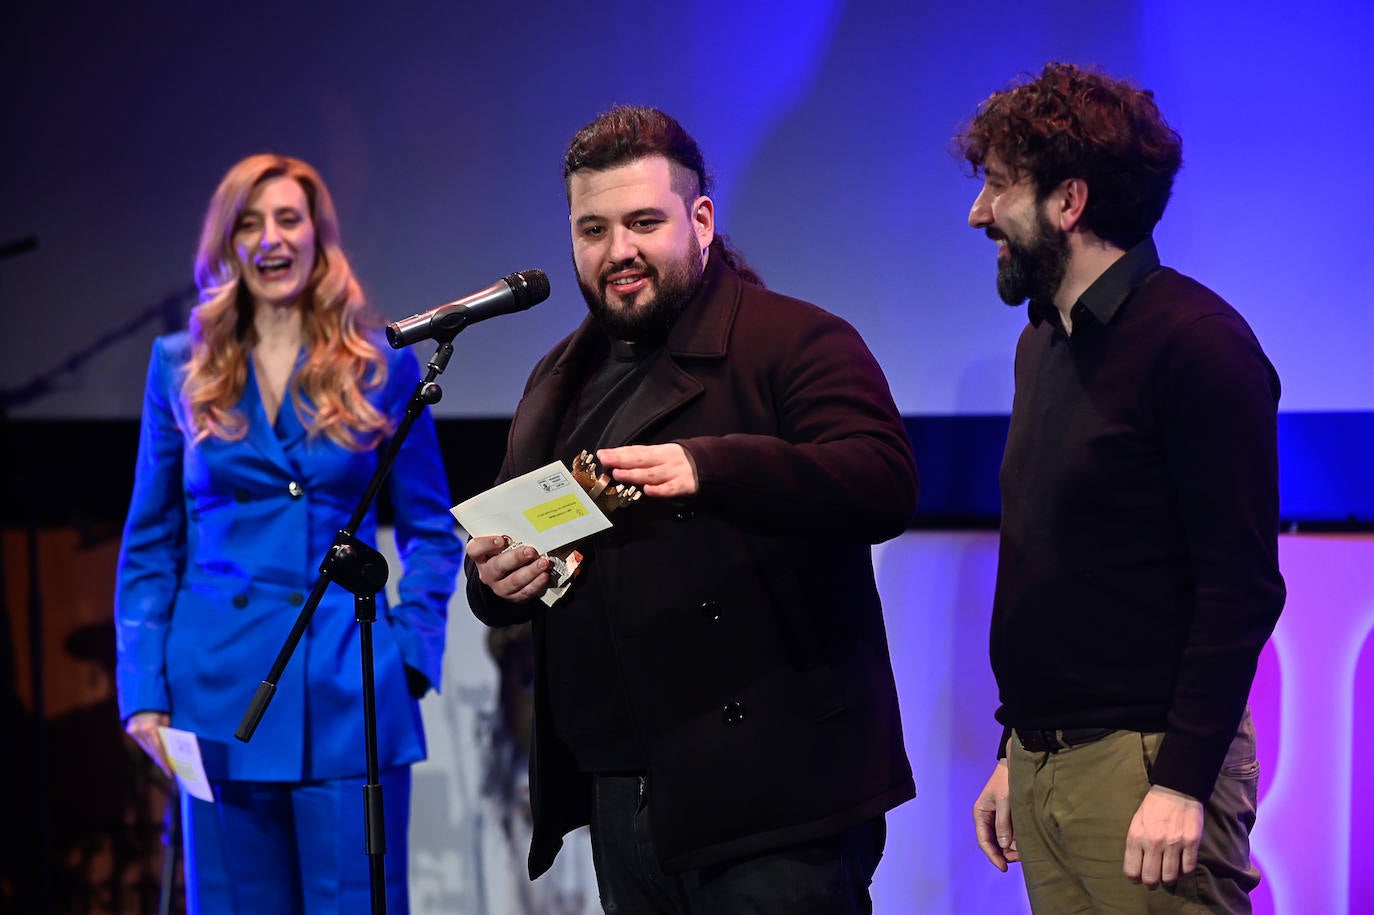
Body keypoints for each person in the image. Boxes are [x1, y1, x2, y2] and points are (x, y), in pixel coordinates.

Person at [464, 105, 917, 913]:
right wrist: (495, 578)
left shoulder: (797, 340)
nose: (618, 252)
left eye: (643, 222)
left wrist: (710, 465)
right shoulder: (555, 378)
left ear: (700, 219)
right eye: (592, 229)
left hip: (777, 801)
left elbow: (881, 479)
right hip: (620, 790)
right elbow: (524, 543)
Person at [956, 63, 1286, 912]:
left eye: (998, 187)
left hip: (1146, 769)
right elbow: (1059, 570)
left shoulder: (1198, 343)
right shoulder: (1043, 344)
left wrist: (1180, 781)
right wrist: (1014, 747)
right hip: (1043, 762)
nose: (978, 213)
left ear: (1069, 202)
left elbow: (1240, 585)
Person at [115, 154, 461, 914]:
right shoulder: (180, 366)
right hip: (216, 691)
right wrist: (142, 688)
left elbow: (433, 530)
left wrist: (409, 655)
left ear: (317, 237)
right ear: (227, 242)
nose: (270, 239)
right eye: (249, 222)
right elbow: (150, 541)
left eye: (287, 219)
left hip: (345, 685)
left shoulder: (380, 364)